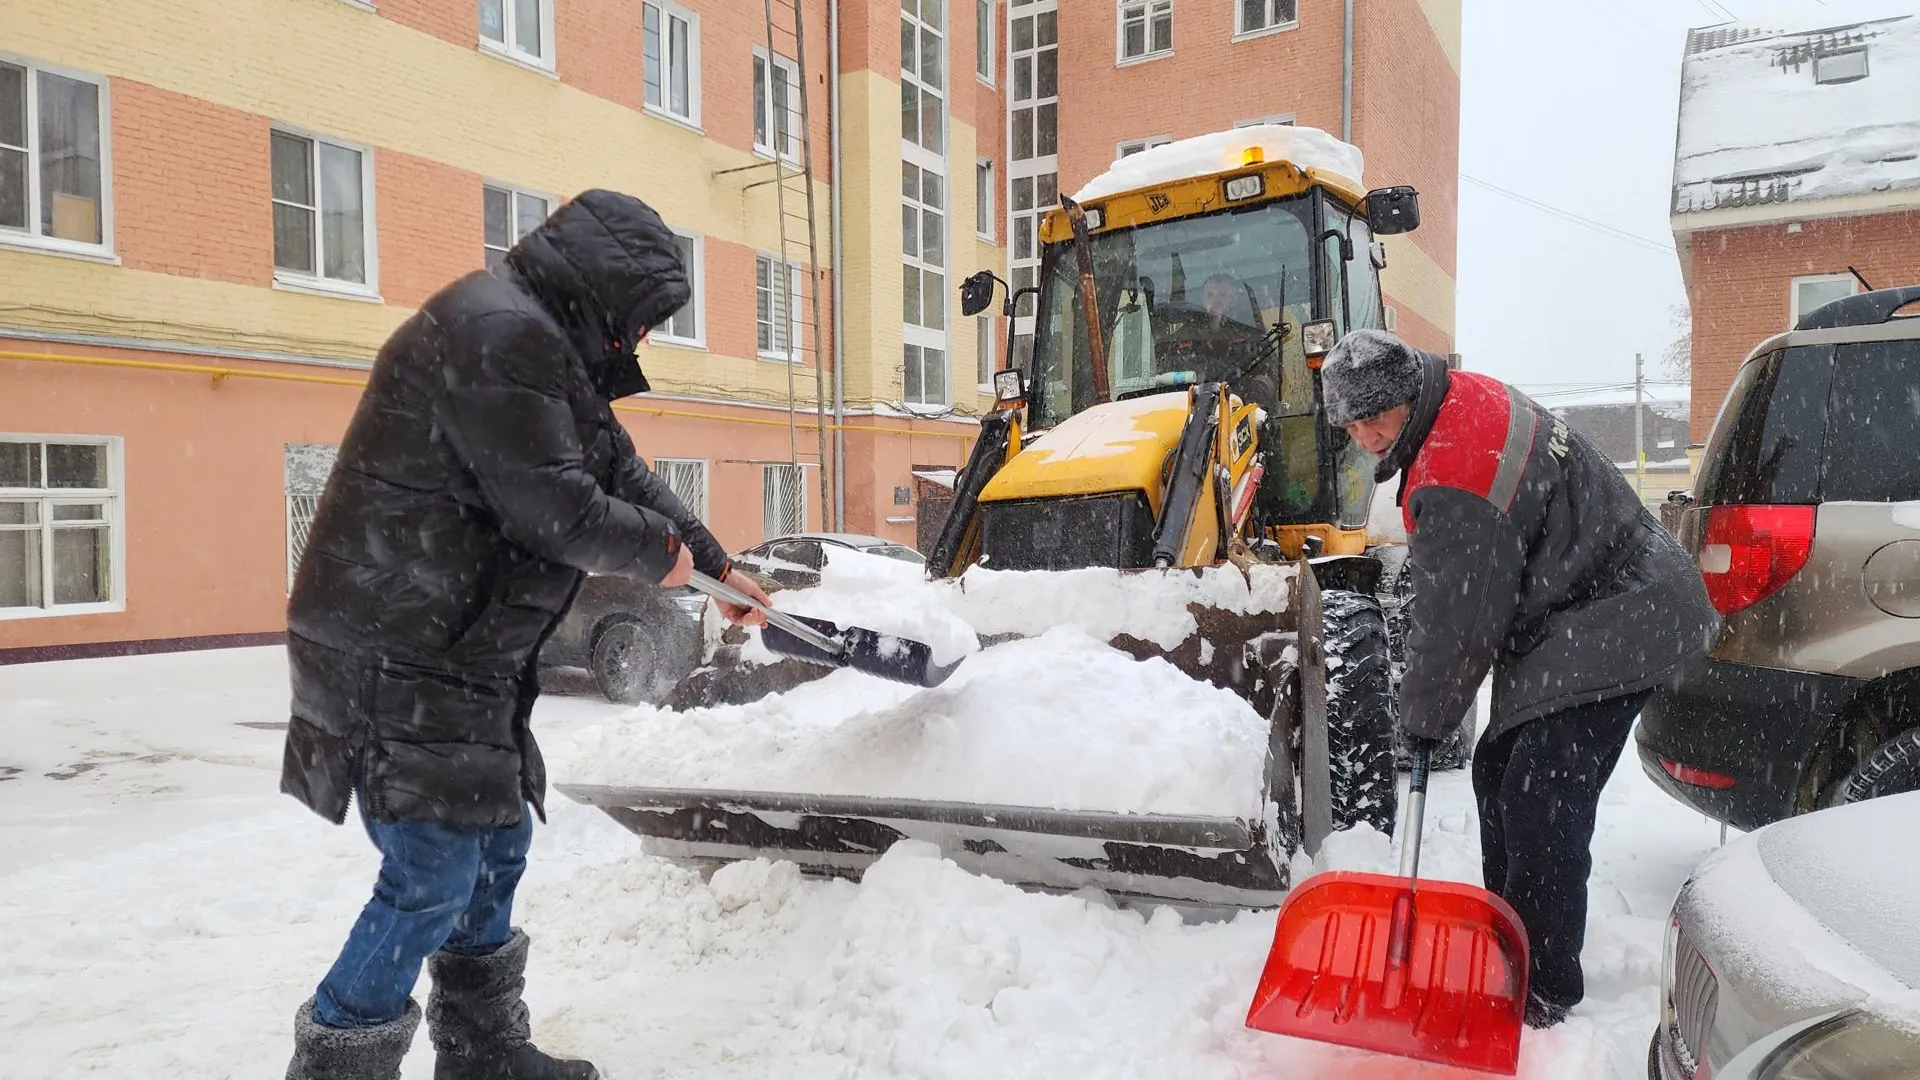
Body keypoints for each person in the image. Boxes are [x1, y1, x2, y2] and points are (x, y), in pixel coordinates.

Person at [279, 189, 774, 1080]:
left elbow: (624, 476)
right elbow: (559, 510)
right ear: (604, 291)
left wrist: (715, 565)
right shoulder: (495, 335)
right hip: (395, 649)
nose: (645, 338)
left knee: (499, 842)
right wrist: (662, 557)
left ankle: (483, 1053)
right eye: (643, 318)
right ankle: (335, 1066)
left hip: (460, 652)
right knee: (432, 873)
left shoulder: (543, 351)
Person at [1317, 329, 1718, 1029]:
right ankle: (1509, 944)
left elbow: (1458, 621)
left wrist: (1423, 721)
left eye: (1375, 416)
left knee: (1541, 796)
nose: (1365, 435)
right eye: (1350, 424)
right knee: (1500, 771)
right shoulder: (1454, 402)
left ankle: (1542, 988)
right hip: (1592, 595)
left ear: (1407, 395)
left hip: (1619, 609)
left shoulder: (1453, 475)